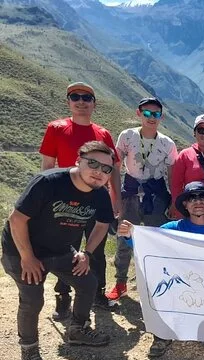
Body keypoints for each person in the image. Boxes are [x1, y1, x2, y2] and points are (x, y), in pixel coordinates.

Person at [2, 141, 116, 360]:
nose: (99, 172)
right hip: (22, 249)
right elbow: (17, 219)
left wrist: (86, 253)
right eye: (93, 163)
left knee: (88, 283)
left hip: (61, 249)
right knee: (32, 299)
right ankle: (29, 351)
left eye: (106, 169)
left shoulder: (100, 194)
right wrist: (27, 257)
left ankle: (77, 330)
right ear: (78, 160)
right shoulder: (49, 182)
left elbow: (102, 224)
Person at [117, 181, 204, 357]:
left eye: (203, 197)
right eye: (192, 198)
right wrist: (129, 235)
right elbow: (148, 245)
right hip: (178, 288)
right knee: (162, 286)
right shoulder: (171, 229)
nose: (198, 202)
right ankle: (162, 335)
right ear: (185, 204)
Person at [39, 82, 122, 315]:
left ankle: (97, 293)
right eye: (75, 97)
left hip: (96, 199)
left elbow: (114, 169)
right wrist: (46, 199)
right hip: (65, 202)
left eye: (86, 98)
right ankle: (63, 296)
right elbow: (47, 166)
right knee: (66, 248)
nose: (81, 101)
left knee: (96, 249)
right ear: (68, 102)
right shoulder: (56, 128)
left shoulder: (103, 134)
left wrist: (116, 197)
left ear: (94, 104)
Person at [106, 97, 178, 304]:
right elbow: (115, 167)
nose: (151, 117)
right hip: (130, 193)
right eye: (147, 113)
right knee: (124, 238)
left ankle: (159, 284)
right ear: (139, 114)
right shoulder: (126, 136)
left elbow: (172, 175)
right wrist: (115, 197)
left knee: (158, 240)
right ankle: (120, 283)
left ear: (161, 117)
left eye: (155, 114)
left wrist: (174, 202)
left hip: (156, 196)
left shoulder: (167, 143)